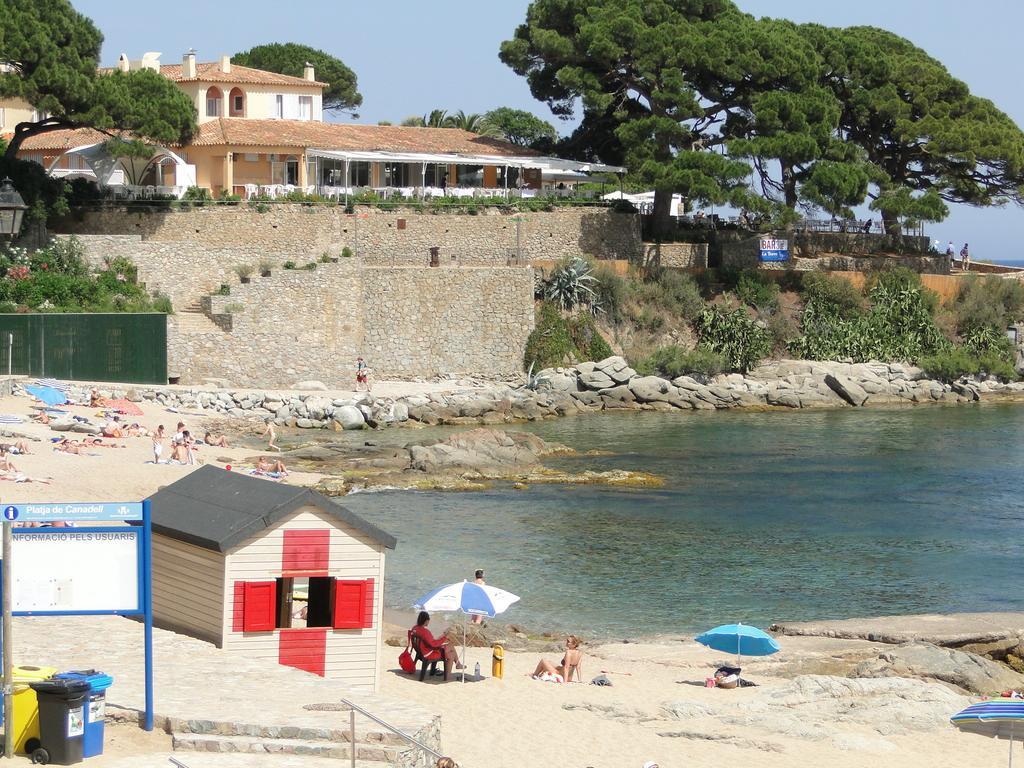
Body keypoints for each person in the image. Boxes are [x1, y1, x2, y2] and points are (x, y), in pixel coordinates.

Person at [410, 611, 464, 679]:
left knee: (450, 649)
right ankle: (451, 671)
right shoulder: (425, 632)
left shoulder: (415, 628)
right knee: (451, 651)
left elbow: (429, 641)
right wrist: (444, 638)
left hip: (420, 652)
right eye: (428, 621)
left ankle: (457, 664)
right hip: (428, 653)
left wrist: (442, 638)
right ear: (426, 621)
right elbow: (434, 644)